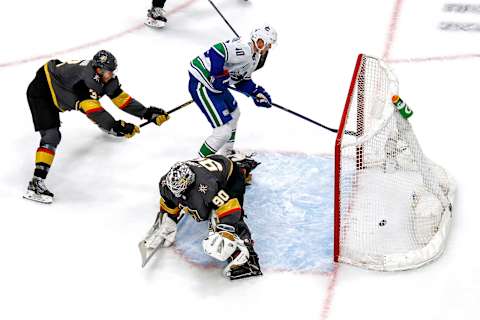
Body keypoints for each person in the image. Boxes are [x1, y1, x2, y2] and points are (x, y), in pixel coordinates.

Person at [24, 50, 170, 204]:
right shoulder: (83, 80)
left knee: (90, 107)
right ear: (98, 69)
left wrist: (146, 113)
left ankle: (106, 125)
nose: (110, 75)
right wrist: (114, 125)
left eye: (112, 71)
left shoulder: (102, 76)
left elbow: (121, 99)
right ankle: (35, 183)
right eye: (108, 71)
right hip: (43, 90)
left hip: (63, 85)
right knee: (52, 136)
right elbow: (93, 110)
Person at [141, 154, 262, 280]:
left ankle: (248, 259)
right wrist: (169, 218)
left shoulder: (209, 186)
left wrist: (226, 231)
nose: (178, 195)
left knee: (227, 219)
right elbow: (169, 200)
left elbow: (230, 207)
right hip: (212, 166)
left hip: (230, 177)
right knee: (203, 206)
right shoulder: (165, 183)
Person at [188, 25, 277, 157]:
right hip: (202, 83)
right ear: (258, 40)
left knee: (235, 113)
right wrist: (217, 76)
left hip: (216, 87)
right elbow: (217, 50)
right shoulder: (245, 49)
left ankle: (227, 153)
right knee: (223, 133)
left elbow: (241, 80)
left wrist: (256, 92)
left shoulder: (255, 57)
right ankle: (195, 165)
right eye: (266, 44)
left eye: (270, 45)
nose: (267, 48)